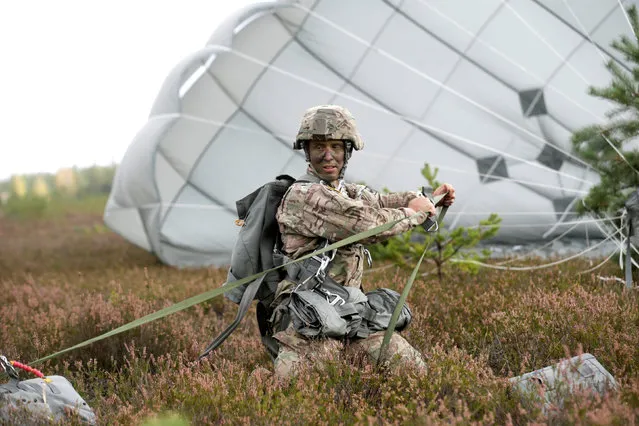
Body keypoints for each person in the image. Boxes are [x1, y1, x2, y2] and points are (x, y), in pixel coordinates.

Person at [269, 105, 455, 378]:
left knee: (413, 372)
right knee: (297, 391)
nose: (328, 155)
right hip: (309, 324)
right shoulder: (304, 196)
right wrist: (414, 214)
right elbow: (368, 225)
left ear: (348, 151)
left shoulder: (345, 191)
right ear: (307, 150)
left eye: (336, 146)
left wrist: (428, 199)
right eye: (319, 146)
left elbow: (381, 201)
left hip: (351, 316)